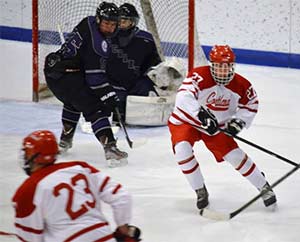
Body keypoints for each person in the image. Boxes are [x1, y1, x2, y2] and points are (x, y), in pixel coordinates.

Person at [167, 45, 277, 210]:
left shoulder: (242, 85)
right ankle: (200, 190)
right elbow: (184, 96)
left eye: (226, 66)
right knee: (182, 149)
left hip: (217, 126)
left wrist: (238, 122)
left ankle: (263, 186)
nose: (222, 71)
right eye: (218, 66)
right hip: (188, 121)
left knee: (234, 155)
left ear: (232, 66)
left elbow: (251, 104)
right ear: (212, 65)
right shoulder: (199, 75)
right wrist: (201, 116)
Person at [12, 130, 141, 242]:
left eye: (27, 153)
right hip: (103, 237)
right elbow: (122, 197)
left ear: (35, 157)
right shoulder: (80, 168)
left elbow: (31, 238)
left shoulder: (28, 190)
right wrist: (123, 229)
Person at [44, 2, 128, 167]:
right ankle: (110, 147)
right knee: (96, 107)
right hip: (68, 77)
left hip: (54, 73)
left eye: (113, 24)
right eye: (106, 23)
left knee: (73, 102)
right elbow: (94, 79)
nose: (109, 28)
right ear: (99, 20)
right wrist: (109, 95)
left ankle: (65, 141)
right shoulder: (99, 45)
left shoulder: (87, 21)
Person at [107, 2, 162, 123]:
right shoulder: (107, 37)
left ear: (133, 22)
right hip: (113, 83)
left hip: (137, 83)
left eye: (124, 21)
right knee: (117, 108)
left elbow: (155, 63)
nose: (120, 24)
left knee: (150, 97)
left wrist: (152, 73)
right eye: (119, 20)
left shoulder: (145, 39)